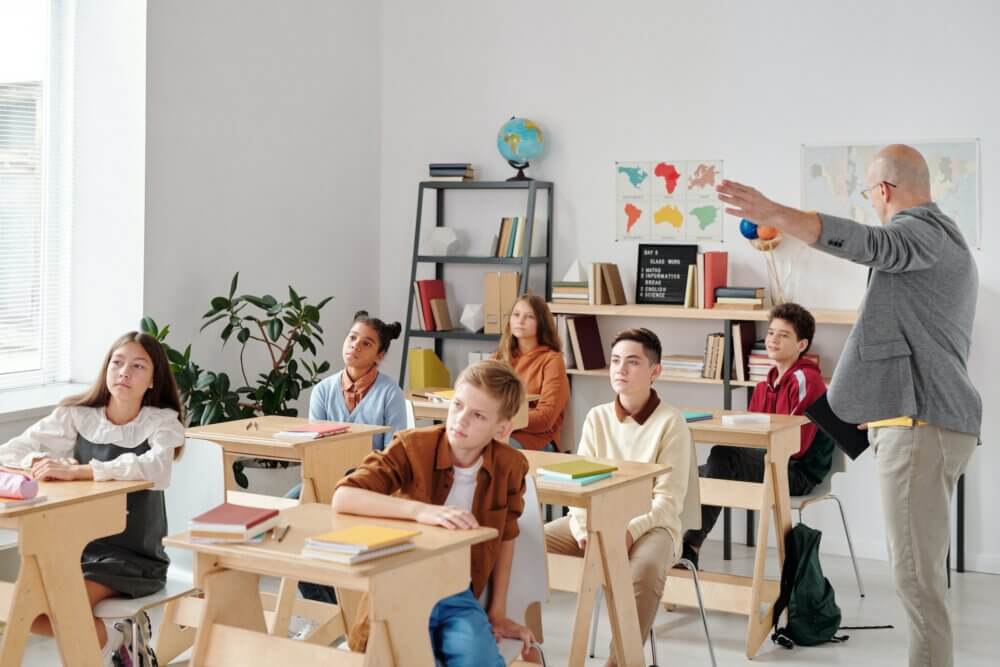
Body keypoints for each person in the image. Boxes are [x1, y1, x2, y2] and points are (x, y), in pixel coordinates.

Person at [717, 144, 980, 667]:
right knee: (920, 578)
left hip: (920, 426)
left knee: (915, 581)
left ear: (883, 191)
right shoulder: (943, 241)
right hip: (924, 422)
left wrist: (776, 216)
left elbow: (868, 244)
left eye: (870, 193)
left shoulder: (923, 232)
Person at [331, 360, 538, 665]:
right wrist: (420, 511)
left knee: (480, 660)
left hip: (458, 592)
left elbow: (506, 538)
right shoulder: (413, 447)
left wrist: (497, 613)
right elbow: (344, 497)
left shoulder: (511, 466)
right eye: (458, 405)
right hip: (402, 589)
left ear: (502, 428)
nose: (461, 420)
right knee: (409, 658)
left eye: (478, 415)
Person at [0, 332, 185, 664]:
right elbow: (11, 452)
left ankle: (115, 645)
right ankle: (120, 641)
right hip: (77, 549)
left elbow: (155, 468)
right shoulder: (78, 415)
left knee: (62, 610)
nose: (124, 372)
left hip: (134, 556)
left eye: (137, 366)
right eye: (117, 362)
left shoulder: (162, 423)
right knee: (26, 611)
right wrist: (44, 464)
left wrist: (82, 471)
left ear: (153, 378)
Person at [544, 328, 698, 667]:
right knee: (526, 544)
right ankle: (524, 650)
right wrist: (585, 531)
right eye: (615, 361)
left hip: (653, 528)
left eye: (632, 362)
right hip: (595, 520)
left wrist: (625, 532)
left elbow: (667, 503)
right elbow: (578, 488)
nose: (620, 370)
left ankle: (620, 661)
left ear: (654, 371)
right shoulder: (597, 417)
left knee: (642, 568)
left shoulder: (671, 423)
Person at [682, 303, 832, 566]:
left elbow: (796, 447)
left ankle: (689, 547)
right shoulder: (765, 384)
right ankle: (678, 552)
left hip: (797, 472)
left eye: (783, 335)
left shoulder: (806, 381)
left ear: (802, 344)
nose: (773, 339)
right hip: (769, 462)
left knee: (723, 457)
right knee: (691, 475)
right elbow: (748, 436)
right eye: (771, 333)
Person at [292, 310, 408, 605]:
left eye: (367, 343)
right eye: (352, 337)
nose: (355, 346)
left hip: (369, 485)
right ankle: (326, 605)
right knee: (291, 512)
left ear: (380, 355)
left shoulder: (390, 394)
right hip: (324, 480)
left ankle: (346, 607)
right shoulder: (322, 391)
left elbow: (393, 453)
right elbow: (313, 447)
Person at [494, 294, 570, 451]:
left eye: (529, 317)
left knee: (494, 449)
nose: (520, 321)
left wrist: (500, 420)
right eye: (516, 315)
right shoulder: (500, 356)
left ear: (541, 323)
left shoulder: (552, 360)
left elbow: (545, 418)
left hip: (537, 439)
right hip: (499, 428)